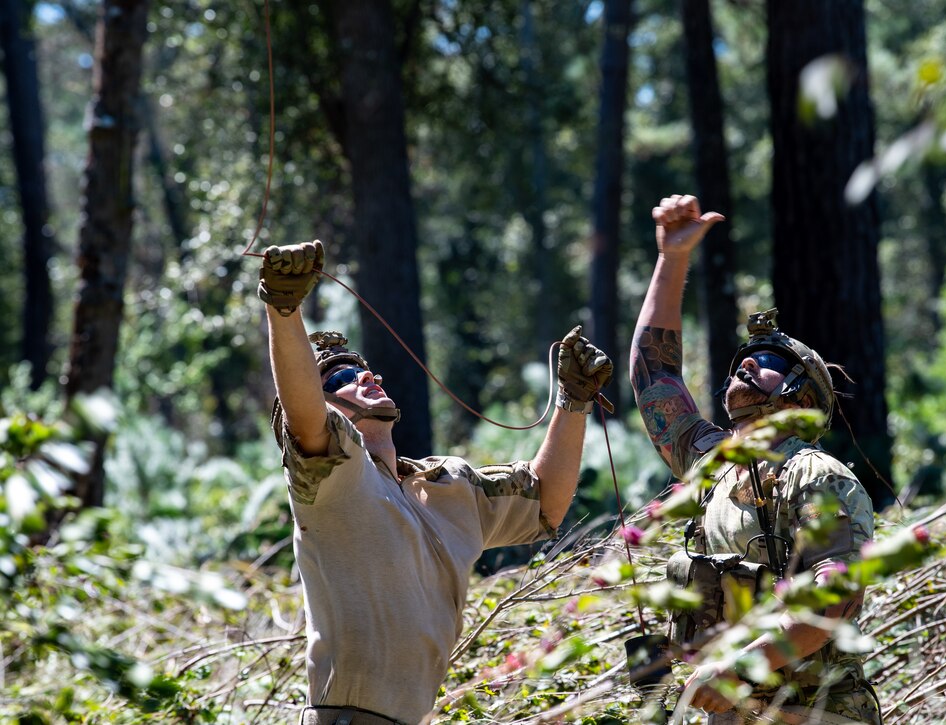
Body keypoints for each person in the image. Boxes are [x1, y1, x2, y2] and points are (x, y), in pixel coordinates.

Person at [258, 240, 613, 725]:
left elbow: (545, 503)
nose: (368, 376)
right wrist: (284, 309)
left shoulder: (447, 484)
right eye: (342, 374)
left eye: (365, 368)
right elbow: (304, 416)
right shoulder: (333, 481)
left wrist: (573, 401)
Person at [628, 195, 881, 723]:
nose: (745, 364)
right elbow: (655, 379)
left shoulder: (814, 473)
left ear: (801, 396)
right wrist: (671, 259)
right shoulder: (714, 464)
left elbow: (837, 598)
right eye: (742, 358)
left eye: (764, 361)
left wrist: (743, 667)